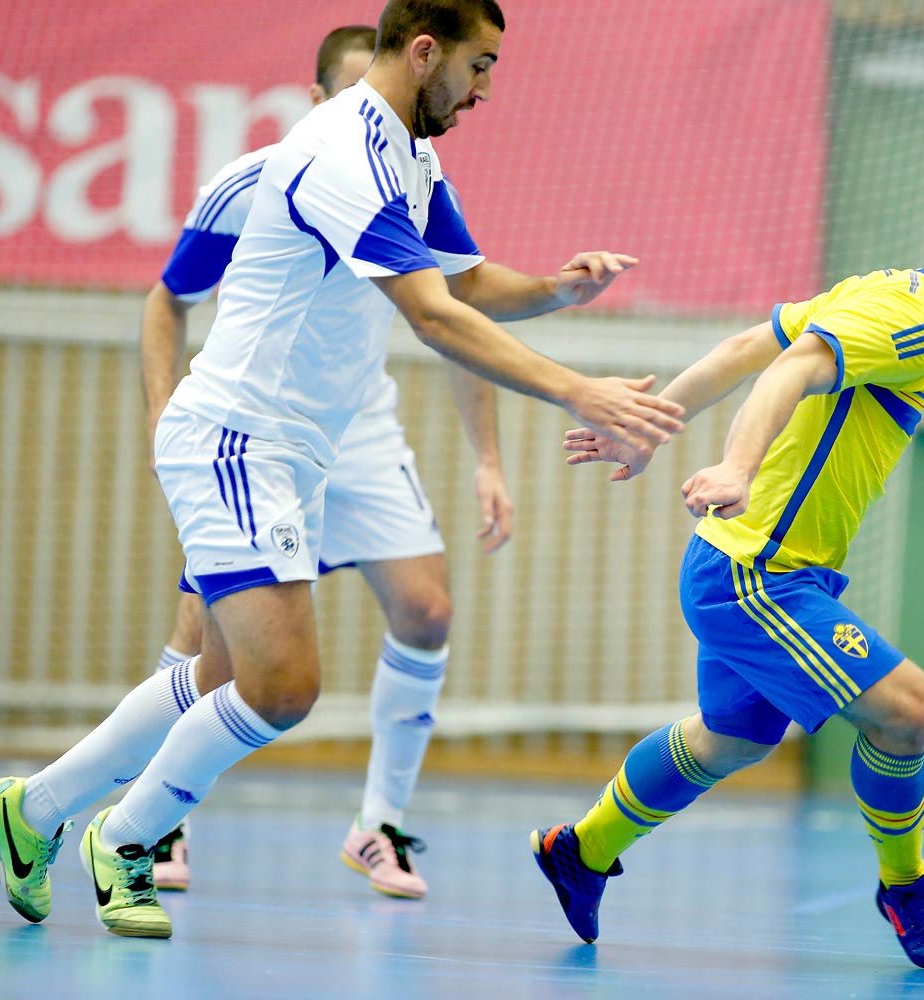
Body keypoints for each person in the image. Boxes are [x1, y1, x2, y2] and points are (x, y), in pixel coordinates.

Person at [0, 0, 684, 940]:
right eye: (479, 66)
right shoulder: (344, 152)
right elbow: (433, 318)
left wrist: (558, 287)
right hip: (239, 437)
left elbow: (466, 283)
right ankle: (129, 834)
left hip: (294, 450)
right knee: (284, 686)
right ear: (425, 50)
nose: (484, 91)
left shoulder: (411, 154)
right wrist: (576, 392)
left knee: (218, 673)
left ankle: (29, 813)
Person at [533, 185, 924, 970]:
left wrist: (651, 425)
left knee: (731, 739)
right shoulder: (914, 318)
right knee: (906, 710)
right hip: (757, 575)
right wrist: (737, 466)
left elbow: (747, 347)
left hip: (767, 570)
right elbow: (788, 370)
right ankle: (905, 887)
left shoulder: (889, 295)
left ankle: (583, 849)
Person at [138, 22, 586, 901]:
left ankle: (379, 824)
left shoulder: (412, 169)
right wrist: (166, 423)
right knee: (210, 646)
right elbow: (170, 299)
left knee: (426, 610)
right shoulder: (266, 176)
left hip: (355, 434)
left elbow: (457, 308)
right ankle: (153, 823)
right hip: (255, 437)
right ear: (322, 99)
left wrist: (489, 457)